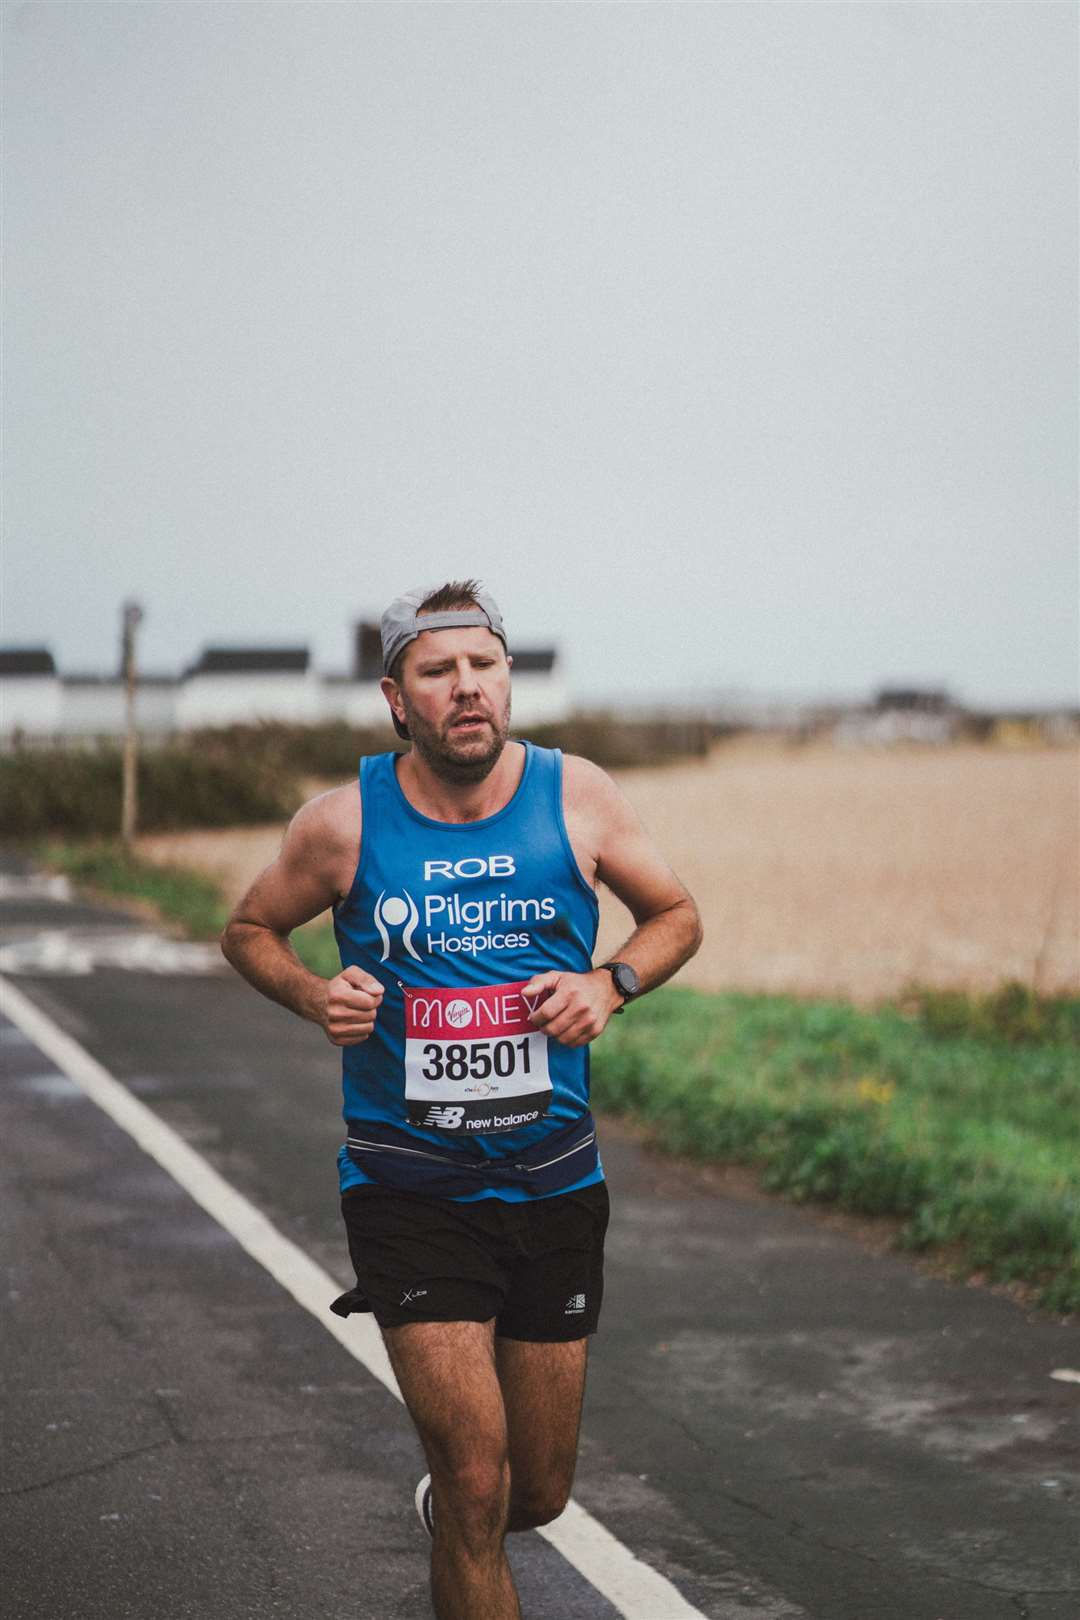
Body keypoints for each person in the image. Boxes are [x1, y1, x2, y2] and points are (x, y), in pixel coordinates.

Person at [220, 580, 702, 1620]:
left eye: (483, 666)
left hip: (554, 1180)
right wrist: (315, 994)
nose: (466, 688)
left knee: (537, 1491)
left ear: (508, 680)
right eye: (439, 672)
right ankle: (465, 1518)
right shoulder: (343, 824)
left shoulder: (580, 798)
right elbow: (250, 929)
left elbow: (674, 914)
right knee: (481, 1481)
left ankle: (457, 1525)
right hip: (410, 1187)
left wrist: (608, 984)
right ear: (399, 698)